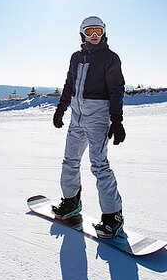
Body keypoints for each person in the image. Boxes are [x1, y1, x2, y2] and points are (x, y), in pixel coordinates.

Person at [51, 15, 126, 238]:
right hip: (77, 116)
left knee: (99, 165)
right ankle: (71, 202)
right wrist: (61, 108)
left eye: (98, 32)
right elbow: (69, 84)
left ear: (104, 33)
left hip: (97, 117)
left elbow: (116, 89)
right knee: (70, 160)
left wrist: (117, 120)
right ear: (82, 34)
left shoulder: (110, 58)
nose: (94, 36)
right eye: (90, 32)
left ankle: (113, 216)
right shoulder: (76, 57)